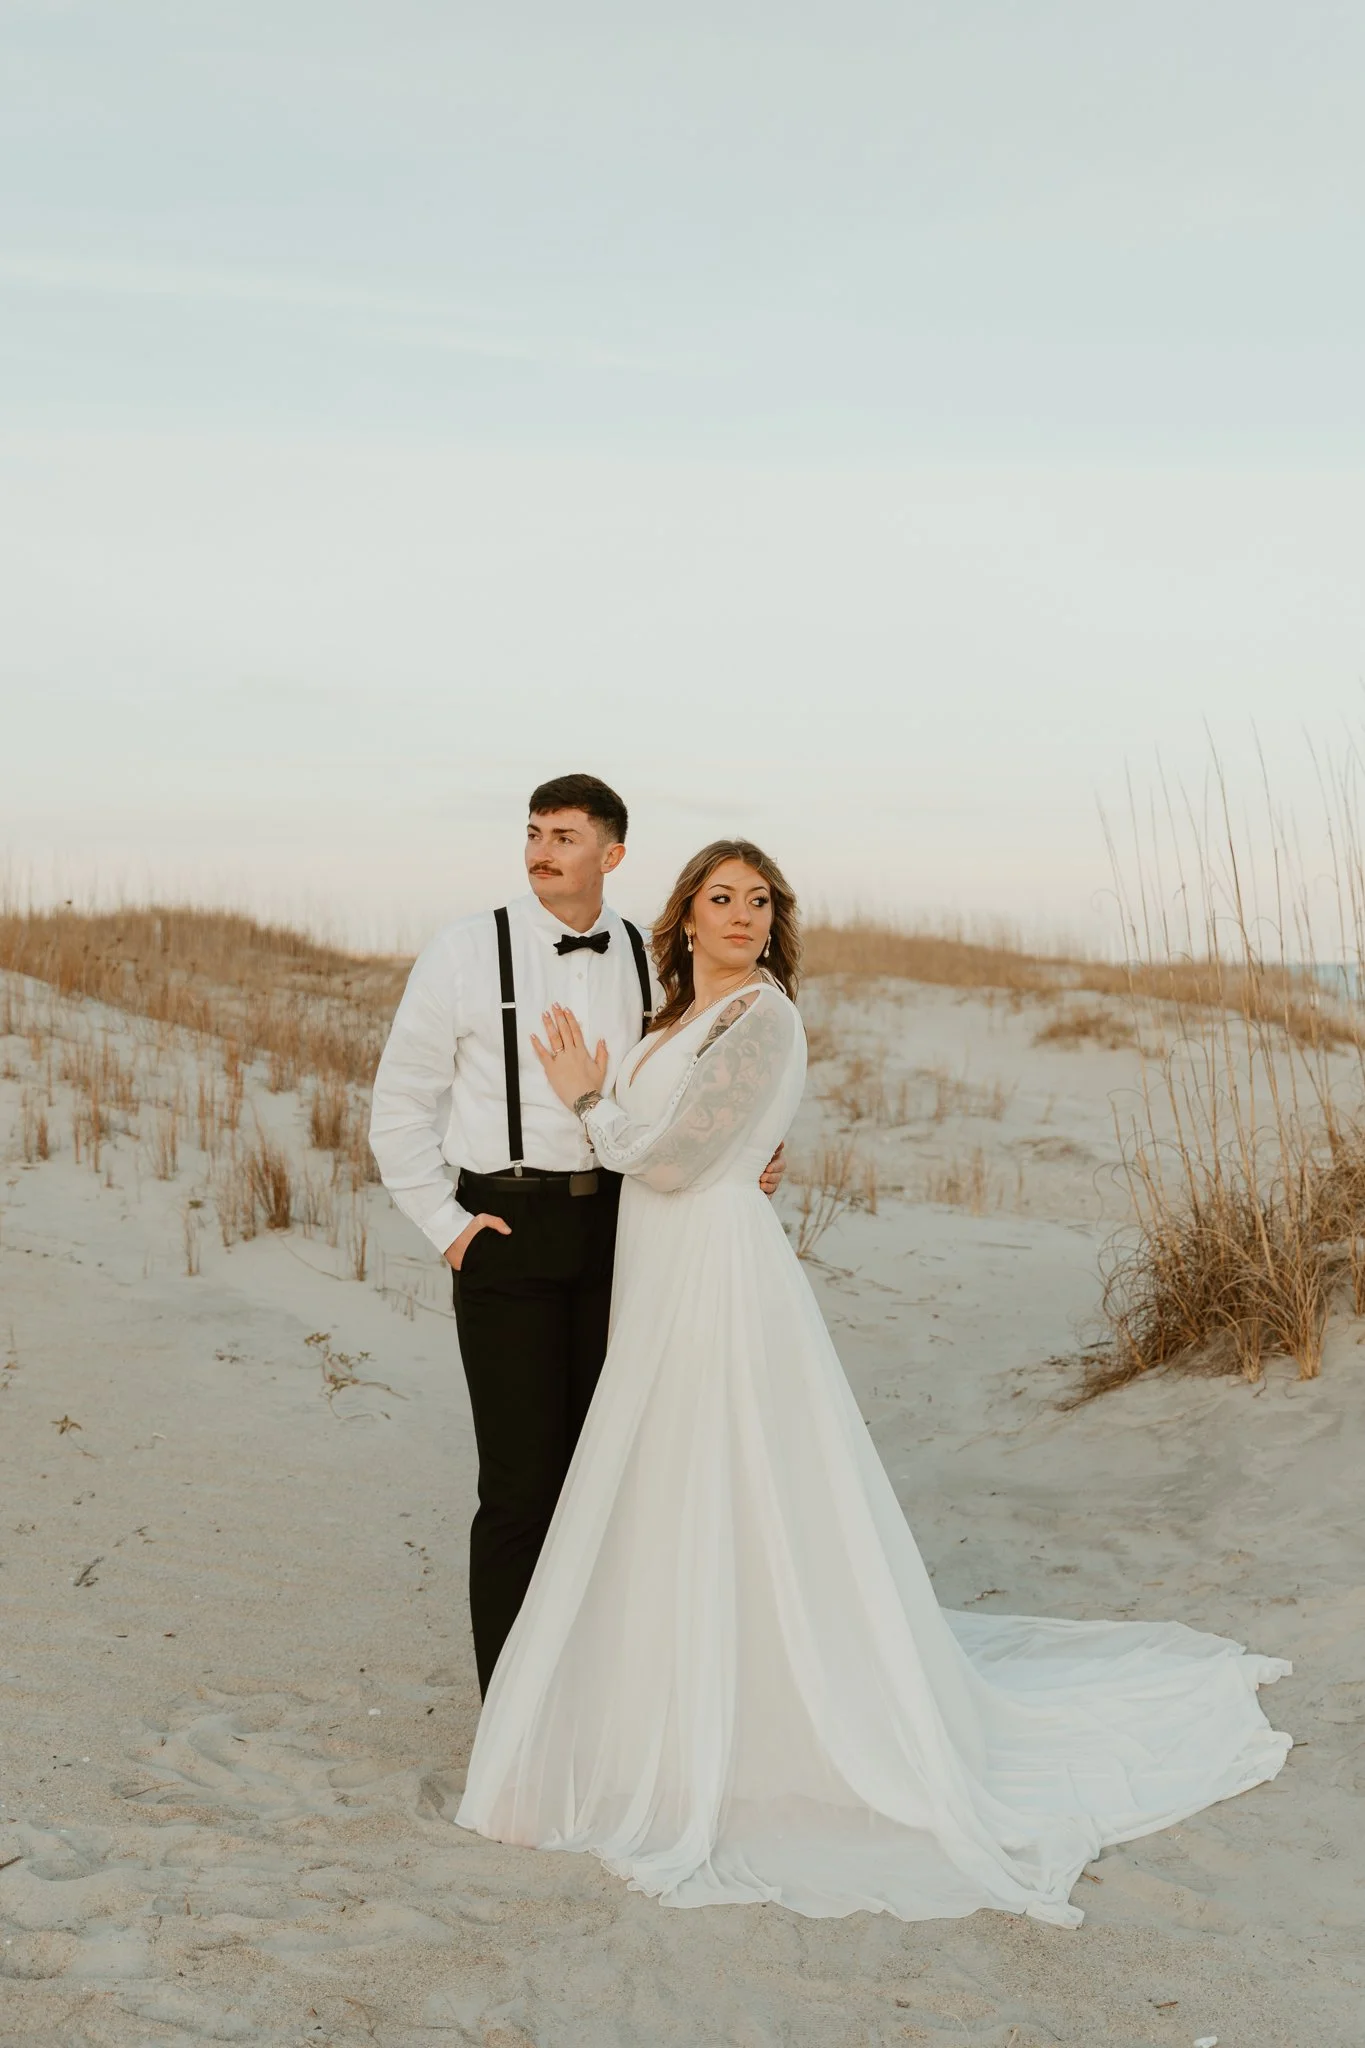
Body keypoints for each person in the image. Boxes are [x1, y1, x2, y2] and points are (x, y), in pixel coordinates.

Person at [454, 836, 1292, 1927]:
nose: (744, 915)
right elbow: (680, 1145)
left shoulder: (767, 1018)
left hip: (715, 1272)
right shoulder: (671, 1020)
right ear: (687, 916)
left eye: (761, 900)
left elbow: (667, 1158)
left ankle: (757, 1719)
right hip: (658, 1273)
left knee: (726, 1471)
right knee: (666, 1482)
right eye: (723, 897)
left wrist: (586, 1099)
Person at [368, 776, 784, 1697]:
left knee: (610, 1475)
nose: (541, 848)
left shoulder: (649, 955)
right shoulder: (465, 950)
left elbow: (697, 1080)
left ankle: (595, 1704)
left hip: (626, 1232)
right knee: (519, 1487)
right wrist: (446, 1226)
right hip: (504, 1230)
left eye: (564, 834)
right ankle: (513, 1713)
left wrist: (748, 1155)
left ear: (613, 854)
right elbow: (398, 1107)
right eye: (532, 832)